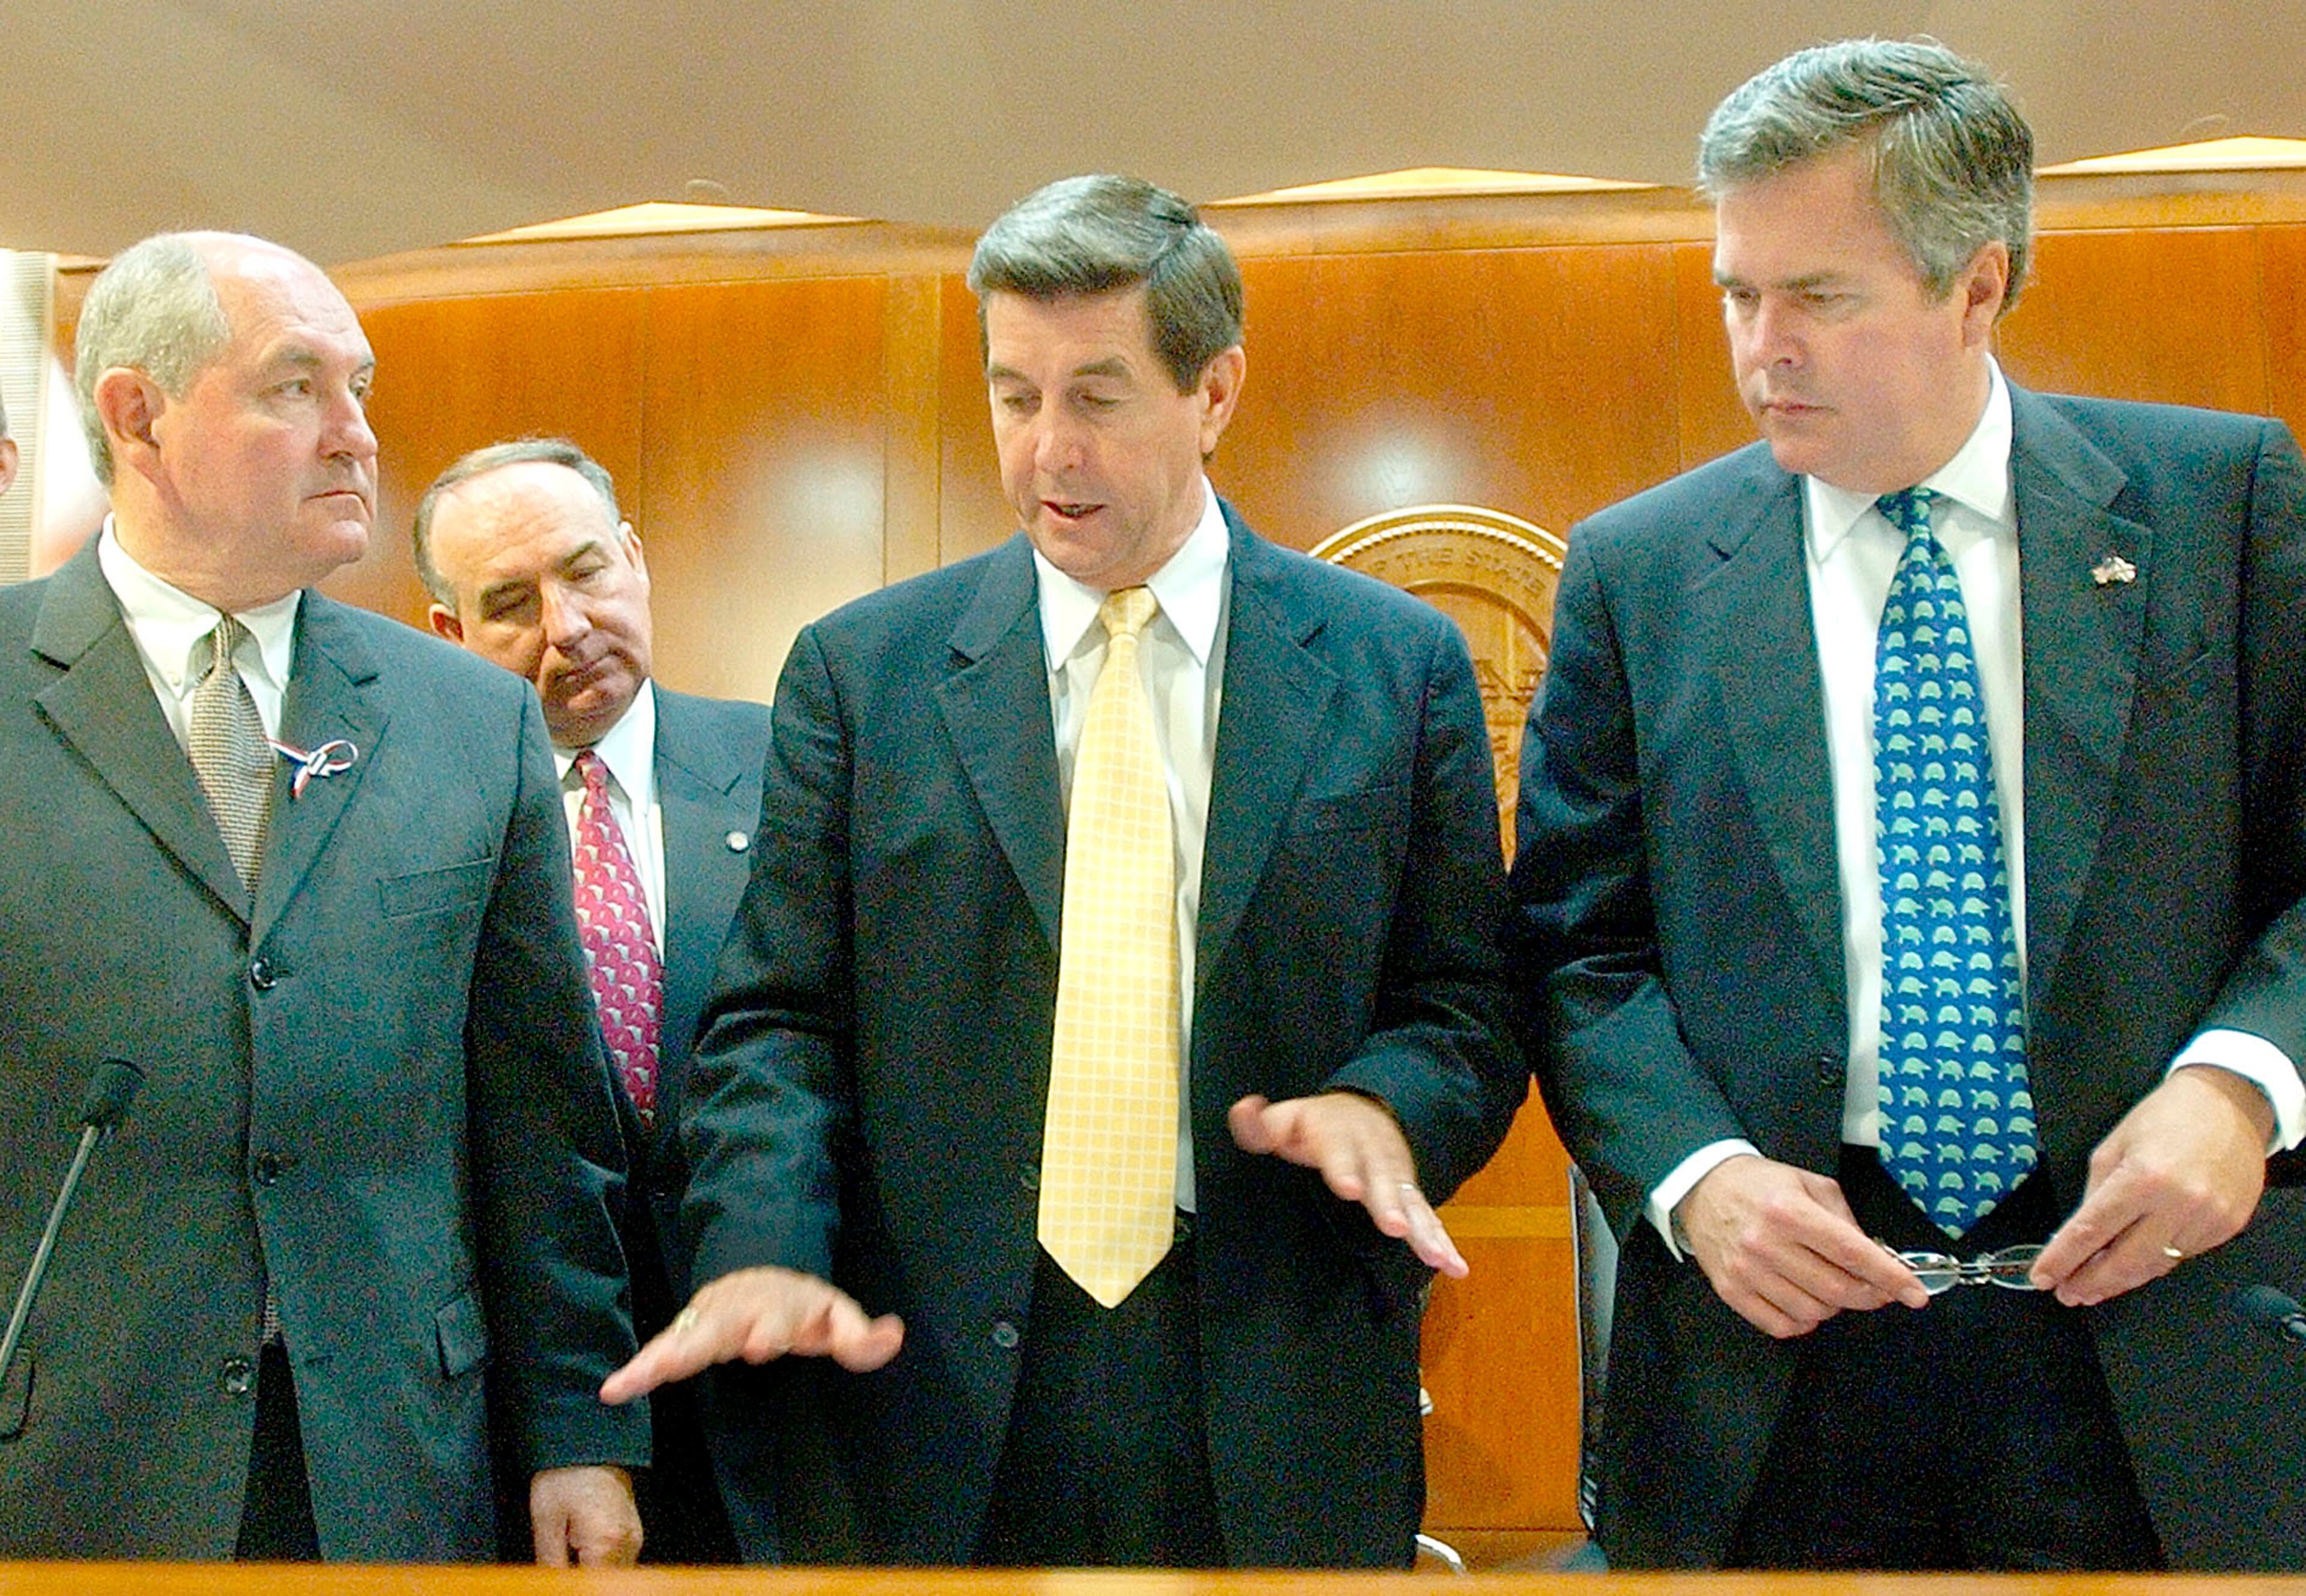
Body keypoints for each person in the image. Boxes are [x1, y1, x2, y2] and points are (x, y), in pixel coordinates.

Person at [600, 174, 1524, 1568]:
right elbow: (780, 1023)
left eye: (1097, 396)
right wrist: (763, 1238)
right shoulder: (866, 674)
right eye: (1013, 394)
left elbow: (1463, 1005)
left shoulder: (1395, 665)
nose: (1046, 451)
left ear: (1214, 393)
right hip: (937, 1384)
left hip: (1275, 1358)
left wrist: (1387, 1110)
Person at [1512, 38, 2306, 1572]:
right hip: (1784, 1349)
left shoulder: (2223, 507)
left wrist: (2242, 1087)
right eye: (1738, 294)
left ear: (1977, 288)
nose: (1763, 351)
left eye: (1821, 297)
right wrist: (1698, 1179)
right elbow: (1574, 947)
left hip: (2151, 1329)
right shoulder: (1645, 571)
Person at [0, 232, 648, 1564]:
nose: (356, 434)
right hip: (71, 1456)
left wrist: (579, 1430)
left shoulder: (470, 718)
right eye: (296, 389)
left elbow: (538, 1120)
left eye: (358, 386)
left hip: (393, 1453)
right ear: (140, 417)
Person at [416, 438, 768, 1562]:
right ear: (449, 636)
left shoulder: (792, 763)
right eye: (511, 602)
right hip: (541, 1416)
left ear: (636, 558)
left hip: (785, 1393)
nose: (566, 627)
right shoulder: (423, 832)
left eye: (587, 573)